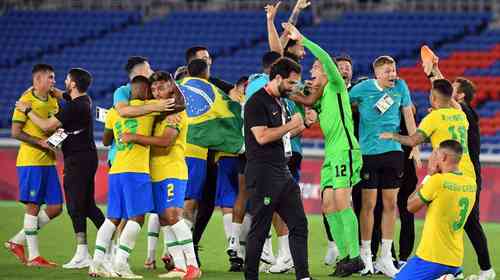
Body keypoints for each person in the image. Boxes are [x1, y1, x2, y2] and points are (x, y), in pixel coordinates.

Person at [283, 23, 364, 277]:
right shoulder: (320, 95)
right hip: (331, 153)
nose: (312, 71)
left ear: (327, 73)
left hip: (345, 149)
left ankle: (356, 256)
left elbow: (326, 59)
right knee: (328, 205)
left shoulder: (336, 85)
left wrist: (302, 39)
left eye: (315, 69)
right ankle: (343, 256)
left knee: (341, 200)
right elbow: (306, 99)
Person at [15, 67, 106, 269]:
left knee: (75, 207)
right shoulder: (82, 101)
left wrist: (28, 110)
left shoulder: (73, 106)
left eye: (64, 79)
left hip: (77, 160)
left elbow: (48, 126)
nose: (59, 82)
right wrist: (41, 88)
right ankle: (106, 247)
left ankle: (88, 252)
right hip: (83, 157)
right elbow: (61, 98)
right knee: (88, 206)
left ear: (73, 84)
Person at [120, 71, 201, 279]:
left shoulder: (176, 113)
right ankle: (180, 267)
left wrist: (134, 137)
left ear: (171, 87)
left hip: (172, 170)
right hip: (155, 172)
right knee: (164, 219)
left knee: (173, 216)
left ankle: (193, 265)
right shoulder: (157, 113)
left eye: (162, 87)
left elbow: (166, 143)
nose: (157, 92)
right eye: (154, 88)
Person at [349, 55, 419, 277]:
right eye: (388, 71)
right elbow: (342, 103)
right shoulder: (362, 88)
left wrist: (415, 145)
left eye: (394, 70)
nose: (393, 75)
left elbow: (408, 114)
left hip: (394, 153)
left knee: (391, 205)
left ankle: (385, 257)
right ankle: (366, 255)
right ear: (377, 73)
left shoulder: (401, 87)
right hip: (368, 154)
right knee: (368, 205)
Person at [244, 57, 309, 280]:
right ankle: (251, 277)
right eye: (291, 83)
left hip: (282, 170)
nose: (294, 88)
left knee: (299, 224)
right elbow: (262, 137)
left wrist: (303, 125)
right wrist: (291, 124)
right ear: (278, 78)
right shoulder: (256, 102)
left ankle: (304, 276)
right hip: (263, 173)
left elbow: (284, 135)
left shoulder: (279, 101)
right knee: (260, 229)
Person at [88, 76, 155, 278]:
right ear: (144, 90)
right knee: (137, 218)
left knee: (113, 218)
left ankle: (97, 263)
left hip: (116, 169)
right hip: (136, 170)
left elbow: (107, 140)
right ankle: (120, 263)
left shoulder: (115, 111)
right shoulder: (151, 108)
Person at [5, 64, 63, 268]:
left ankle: (17, 241)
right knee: (33, 206)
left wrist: (56, 140)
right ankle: (34, 257)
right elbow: (15, 132)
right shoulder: (25, 101)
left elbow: (60, 124)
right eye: (50, 78)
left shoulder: (55, 99)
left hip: (48, 161)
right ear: (37, 80)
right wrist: (39, 142)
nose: (53, 81)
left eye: (54, 78)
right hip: (31, 161)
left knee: (56, 208)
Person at [395, 140, 476, 280]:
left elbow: (410, 206)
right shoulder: (471, 184)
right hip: (455, 260)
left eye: (436, 154)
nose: (433, 158)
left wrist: (429, 176)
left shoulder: (437, 181)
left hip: (432, 257)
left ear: (443, 157)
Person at [452, 78, 495, 280]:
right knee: (455, 221)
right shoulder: (459, 112)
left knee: (470, 222)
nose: (449, 90)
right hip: (457, 172)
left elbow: (445, 98)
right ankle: (453, 269)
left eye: (453, 88)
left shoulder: (466, 111)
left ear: (460, 95)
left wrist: (434, 72)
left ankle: (487, 270)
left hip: (469, 174)